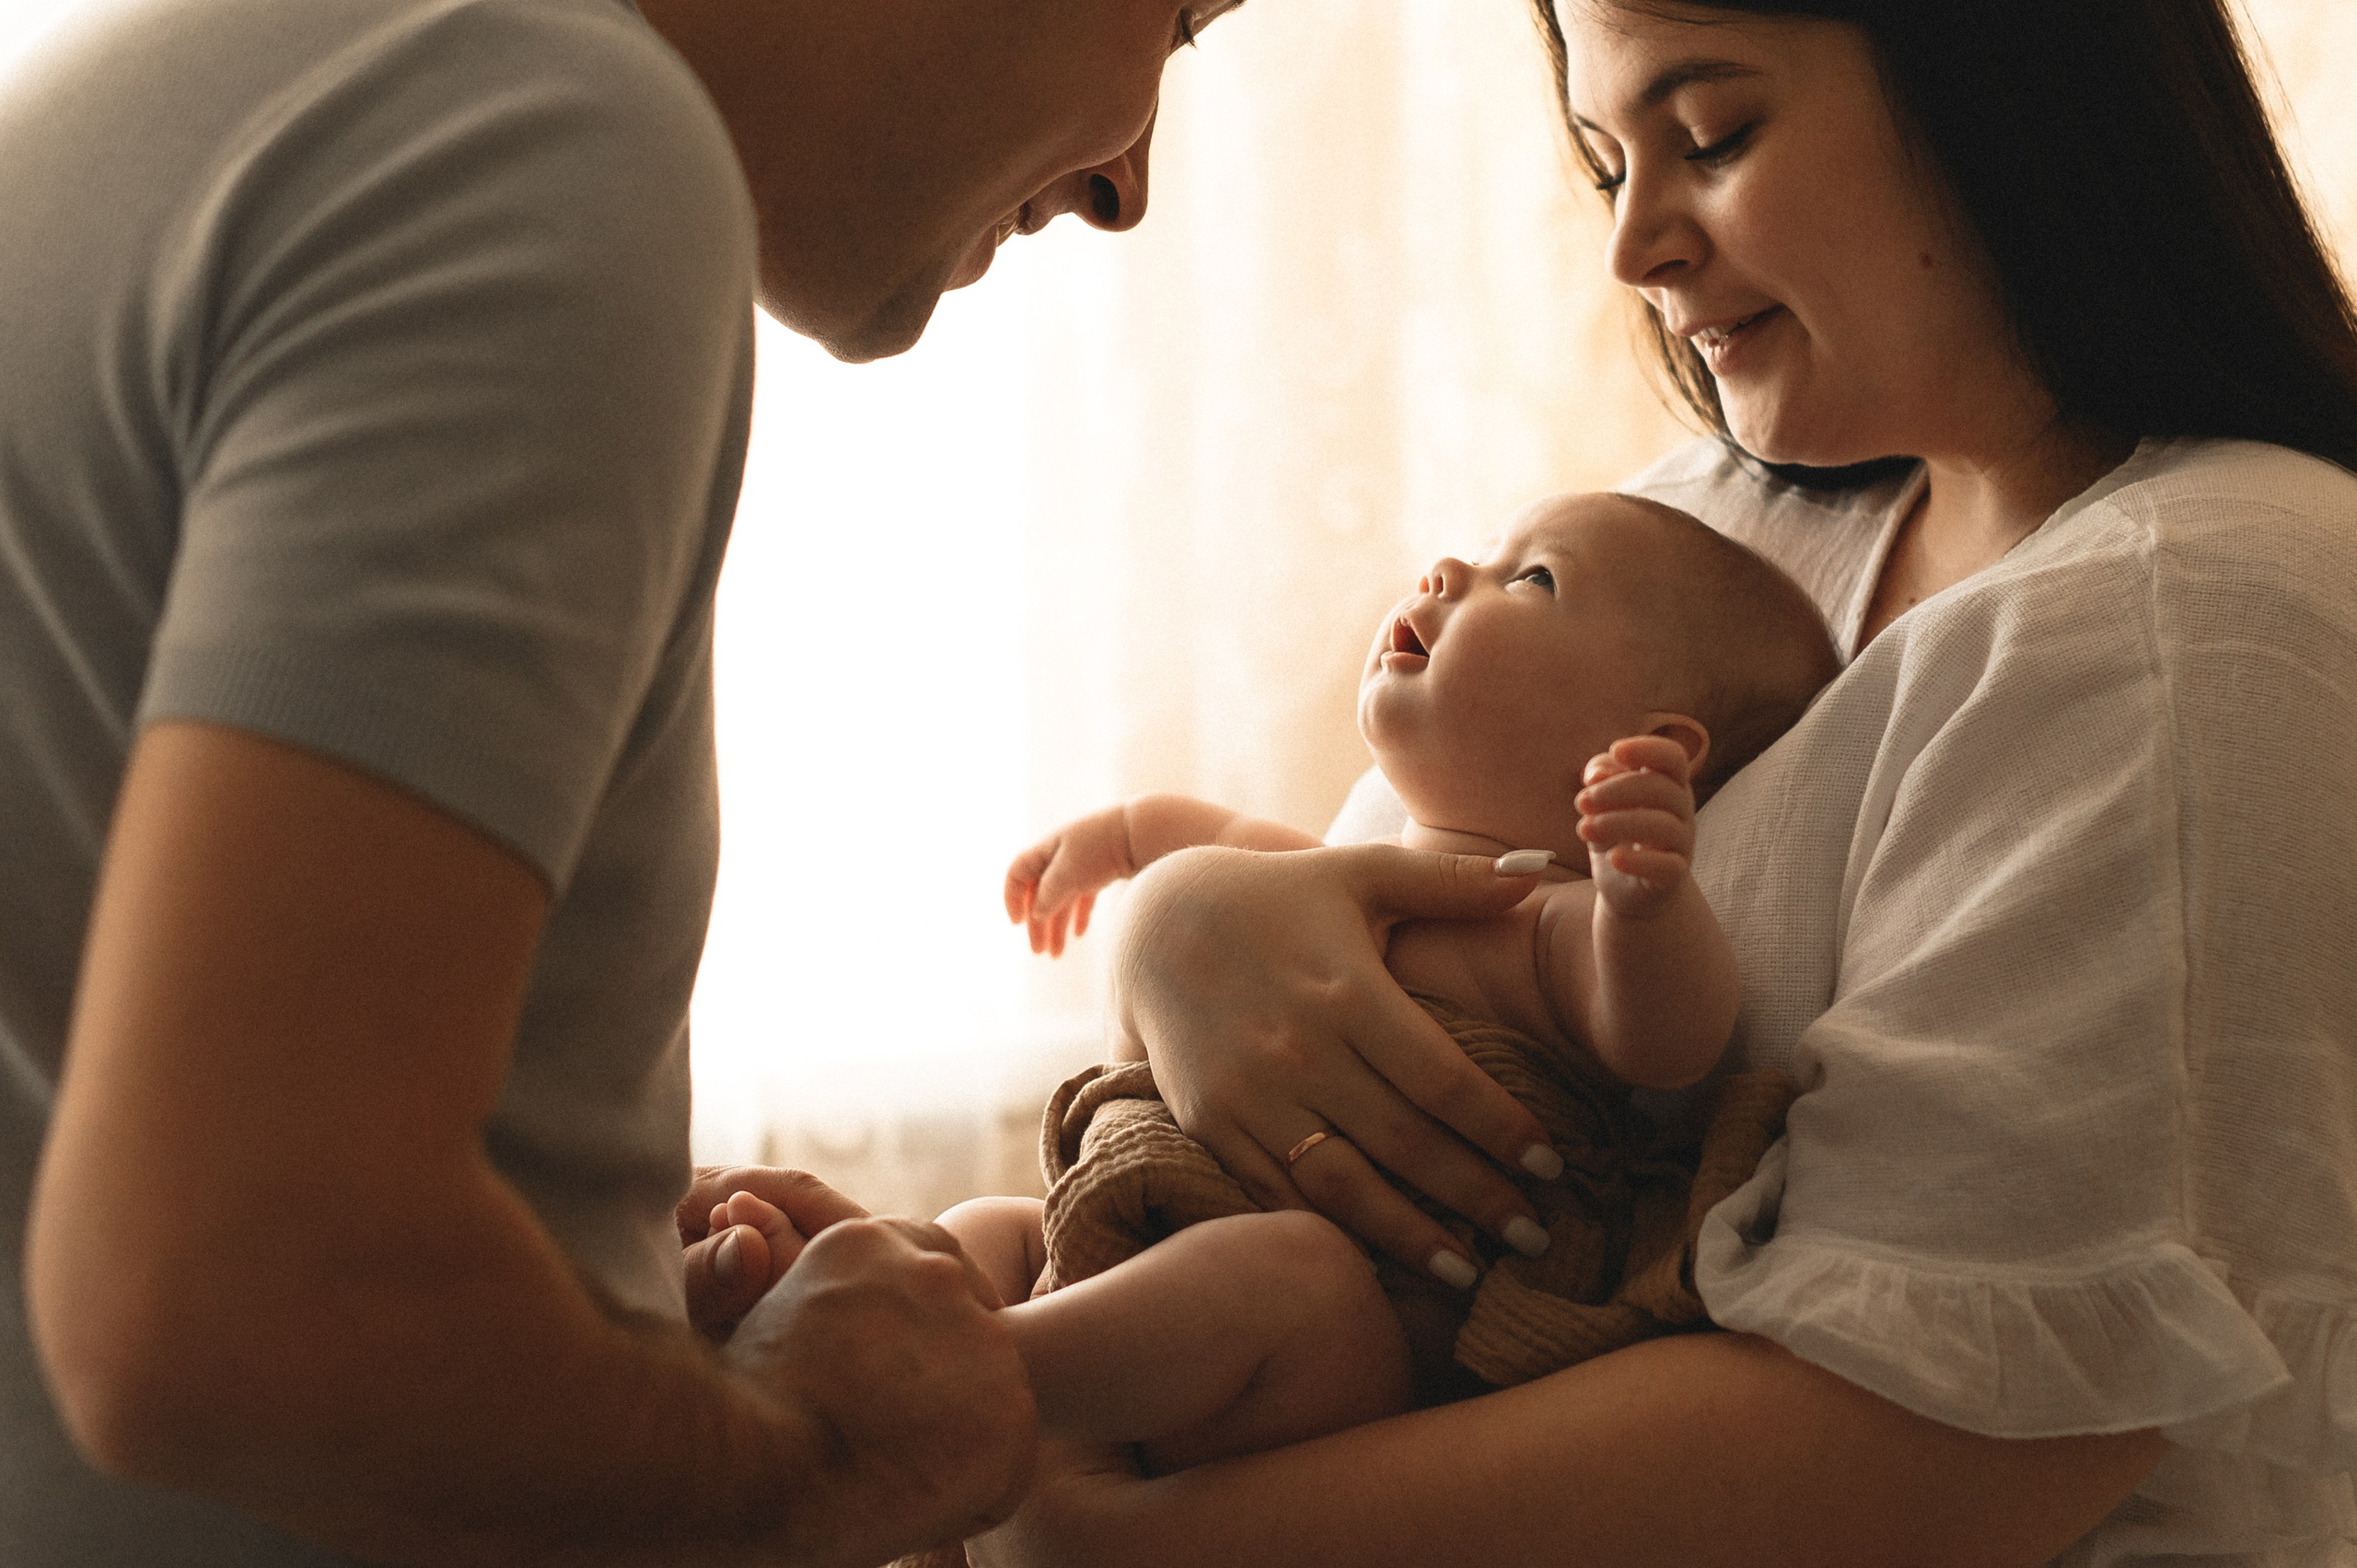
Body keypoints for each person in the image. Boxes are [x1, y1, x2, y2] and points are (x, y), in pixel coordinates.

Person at [0, 1, 1499, 1565]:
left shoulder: (226, 81)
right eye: (1180, 19)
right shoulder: (532, 140)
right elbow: (231, 1289)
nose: (1128, 186)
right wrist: (814, 1461)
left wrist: (592, 1281)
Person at [968, 2, 2357, 1564]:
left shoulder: (2200, 602)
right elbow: (1388, 921)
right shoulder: (1722, 520)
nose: (1632, 246)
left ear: (2005, 79)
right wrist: (1177, 927)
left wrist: (1111, 1534)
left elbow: (1939, 1438)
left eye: (1714, 137)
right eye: (1605, 157)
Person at [864, 491, 1840, 1482]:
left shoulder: (1540, 914)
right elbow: (1230, 849)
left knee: (1286, 1277)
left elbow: (1672, 1039)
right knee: (987, 1226)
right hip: (1137, 1226)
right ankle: (873, 1311)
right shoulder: (1346, 875)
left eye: (1531, 578)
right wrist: (1121, 838)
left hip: (1320, 1346)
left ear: (1653, 743)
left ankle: (931, 1380)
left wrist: (1647, 898)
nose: (1449, 572)